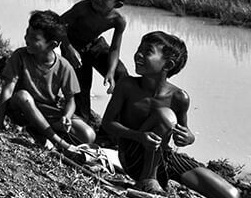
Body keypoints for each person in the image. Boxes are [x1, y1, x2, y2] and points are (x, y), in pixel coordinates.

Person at [102, 32, 239, 197]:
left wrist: (188, 137)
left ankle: (157, 178)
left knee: (231, 194)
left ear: (168, 65)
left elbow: (184, 132)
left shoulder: (179, 97)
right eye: (139, 49)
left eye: (147, 52)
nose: (138, 54)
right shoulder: (127, 85)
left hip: (165, 158)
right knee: (165, 115)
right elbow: (107, 123)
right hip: (133, 157)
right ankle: (147, 180)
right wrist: (139, 136)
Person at [0, 10, 96, 164]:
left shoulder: (64, 67)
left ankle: (41, 132)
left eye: (34, 38)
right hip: (20, 110)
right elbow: (8, 89)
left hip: (46, 112)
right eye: (27, 33)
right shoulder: (19, 56)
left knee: (89, 135)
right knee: (23, 96)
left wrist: (66, 116)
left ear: (52, 44)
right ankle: (61, 143)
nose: (26, 39)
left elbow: (71, 100)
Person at [59, 0, 130, 123]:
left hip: (95, 44)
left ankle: (112, 125)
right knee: (82, 87)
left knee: (121, 75)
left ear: (117, 5)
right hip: (73, 44)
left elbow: (115, 49)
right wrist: (69, 48)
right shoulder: (83, 8)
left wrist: (110, 72)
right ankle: (81, 121)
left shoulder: (118, 21)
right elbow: (59, 25)